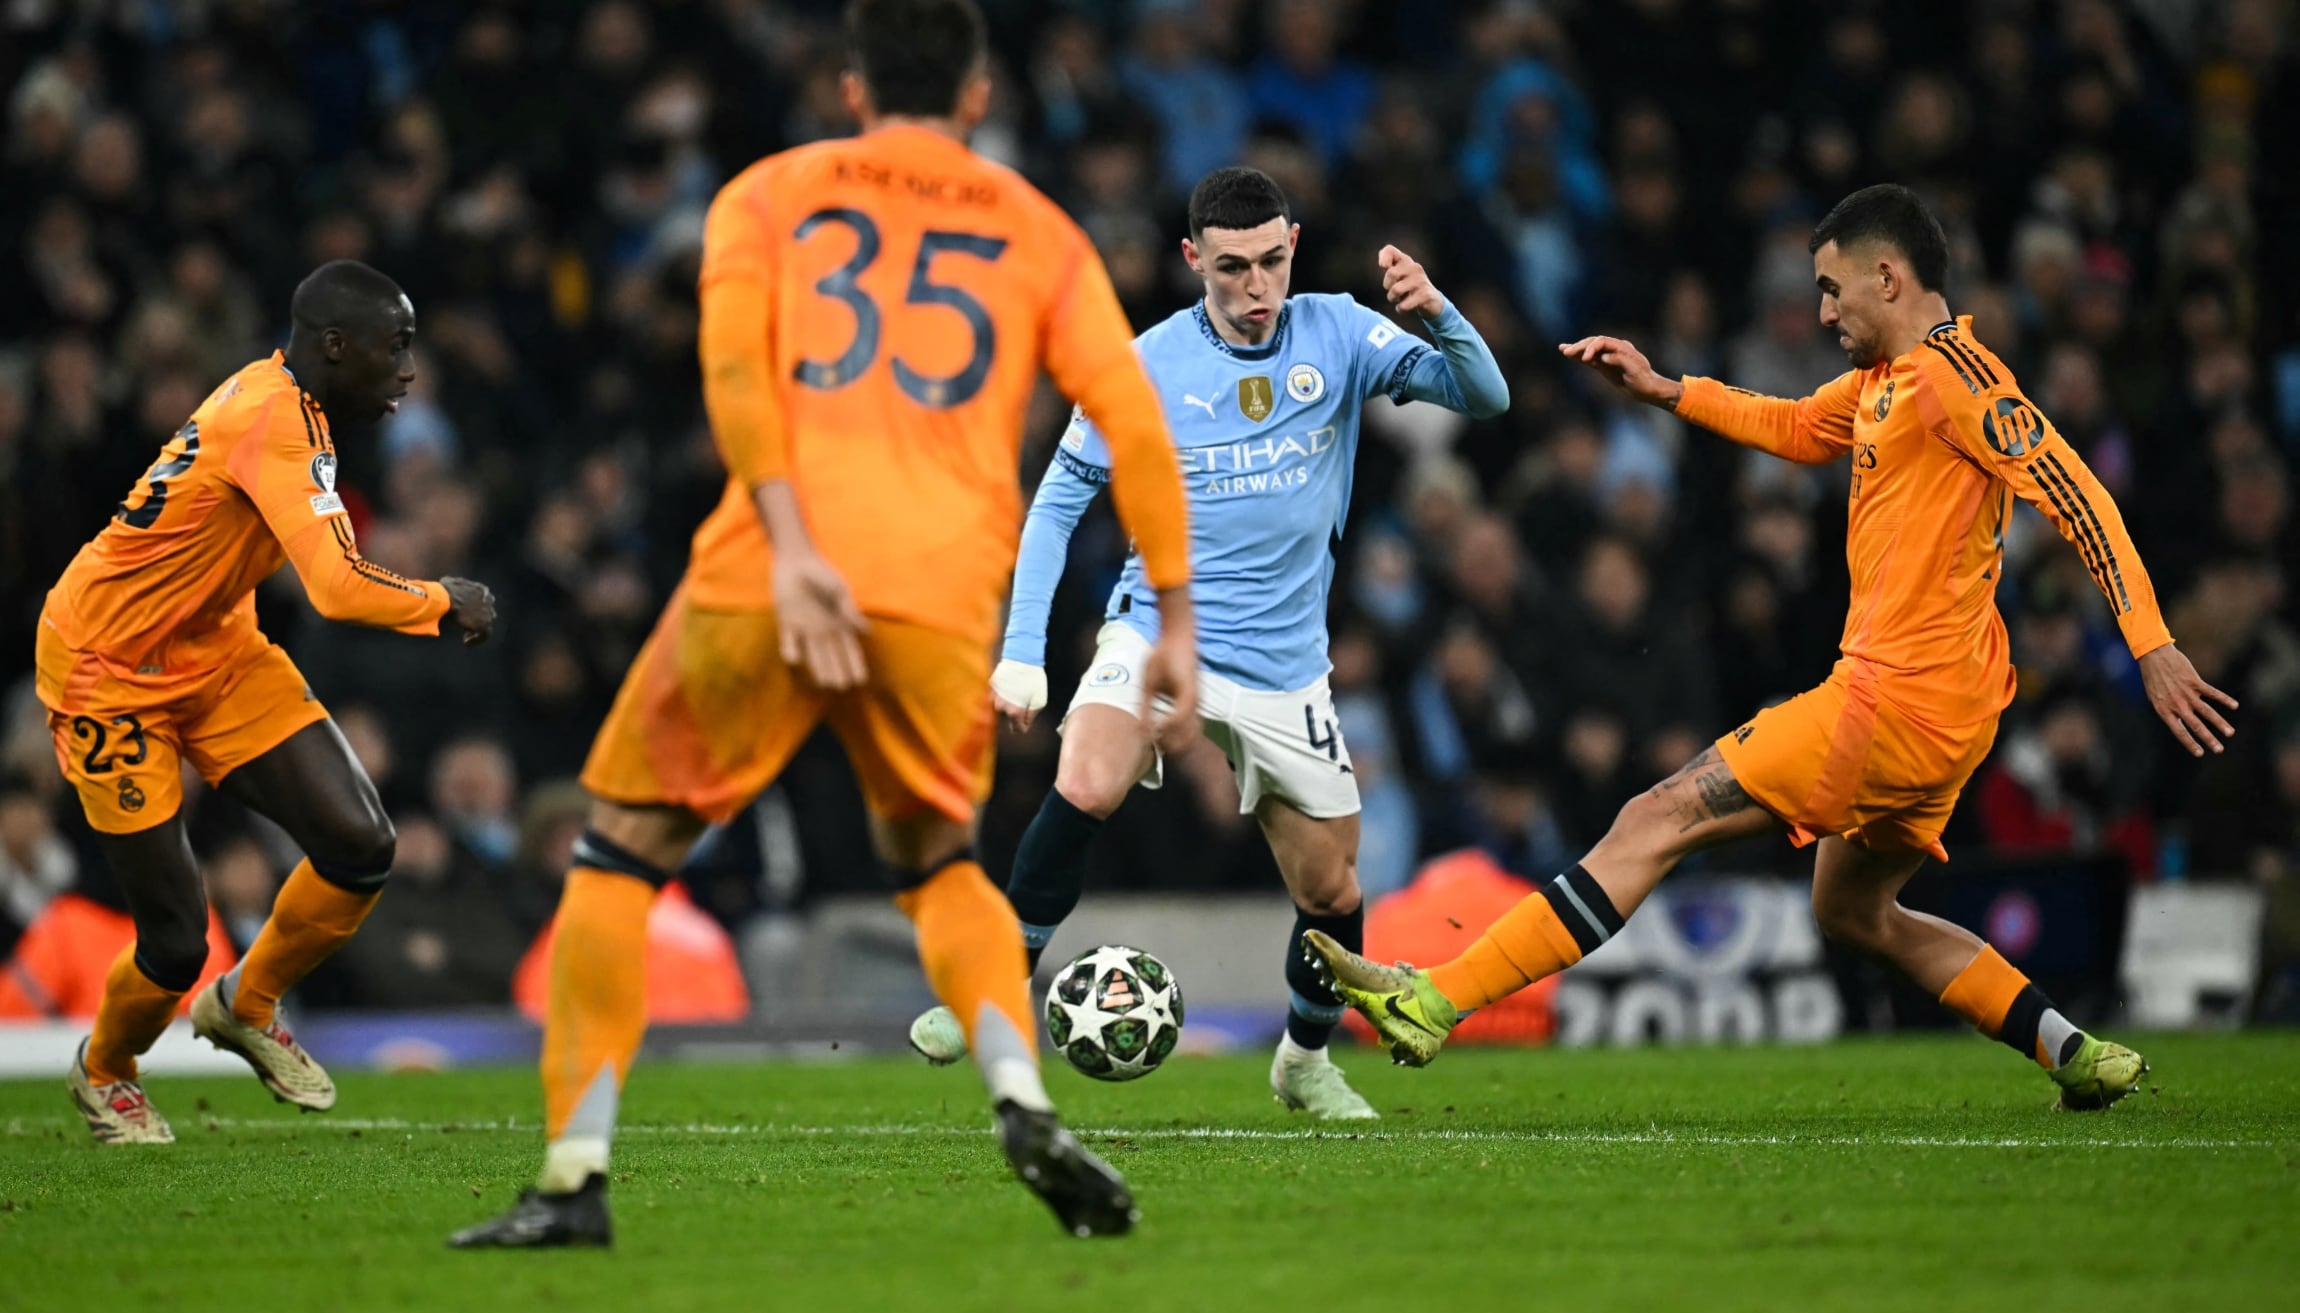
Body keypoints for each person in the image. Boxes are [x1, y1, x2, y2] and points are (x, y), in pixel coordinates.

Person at [451, 0, 1196, 1248]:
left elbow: (736, 376)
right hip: (941, 590)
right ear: (972, 95)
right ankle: (1018, 1093)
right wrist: (1171, 609)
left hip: (766, 573)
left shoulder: (765, 195)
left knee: (618, 857)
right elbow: (1131, 416)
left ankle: (574, 1179)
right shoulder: (1036, 229)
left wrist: (795, 550)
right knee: (939, 865)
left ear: (850, 89)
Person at [1311, 184, 2237, 1112]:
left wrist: (2152, 646)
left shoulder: (1961, 381)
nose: (1823, 311)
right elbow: (1799, 428)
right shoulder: (1886, 384)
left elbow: (2081, 496)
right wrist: (1671, 390)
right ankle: (2073, 1051)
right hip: (1944, 718)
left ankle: (1435, 999)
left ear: (1889, 275)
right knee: (1853, 912)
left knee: (1656, 817)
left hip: (1891, 705)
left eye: (1834, 290)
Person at [907, 165, 1506, 1120]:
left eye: (1272, 261)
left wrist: (1438, 310)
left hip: (1287, 666)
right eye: (1232, 268)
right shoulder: (1138, 365)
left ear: (1294, 247)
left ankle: (1303, 1063)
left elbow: (1484, 397)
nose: (1257, 287)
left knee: (1332, 887)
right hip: (1159, 633)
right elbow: (1058, 505)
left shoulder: (1341, 332)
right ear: (1194, 260)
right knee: (1087, 779)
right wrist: (1021, 650)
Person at [32, 258, 499, 1143]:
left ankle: (246, 1003)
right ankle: (106, 1068)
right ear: (334, 347)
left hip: (213, 648)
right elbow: (336, 588)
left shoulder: (290, 404)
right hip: (108, 671)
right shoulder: (276, 421)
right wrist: (445, 601)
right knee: (174, 939)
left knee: (361, 845)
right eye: (395, 349)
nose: (408, 370)